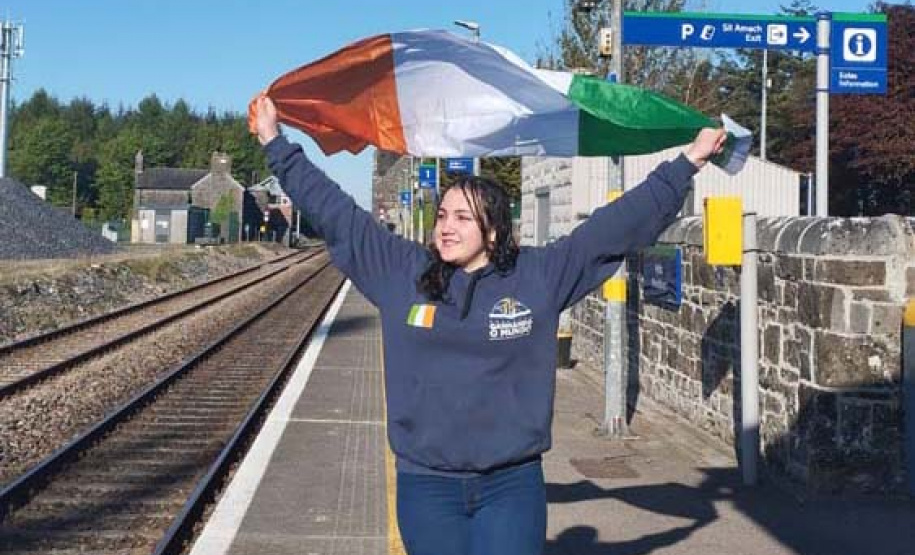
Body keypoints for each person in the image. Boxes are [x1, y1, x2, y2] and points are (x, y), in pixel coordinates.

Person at [254, 95, 726, 555]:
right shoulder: (402, 273)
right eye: (442, 215)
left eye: (462, 217)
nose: (446, 226)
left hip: (512, 485)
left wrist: (689, 161)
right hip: (427, 487)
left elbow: (615, 226)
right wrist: (276, 142)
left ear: (494, 230)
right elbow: (338, 214)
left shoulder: (537, 277)